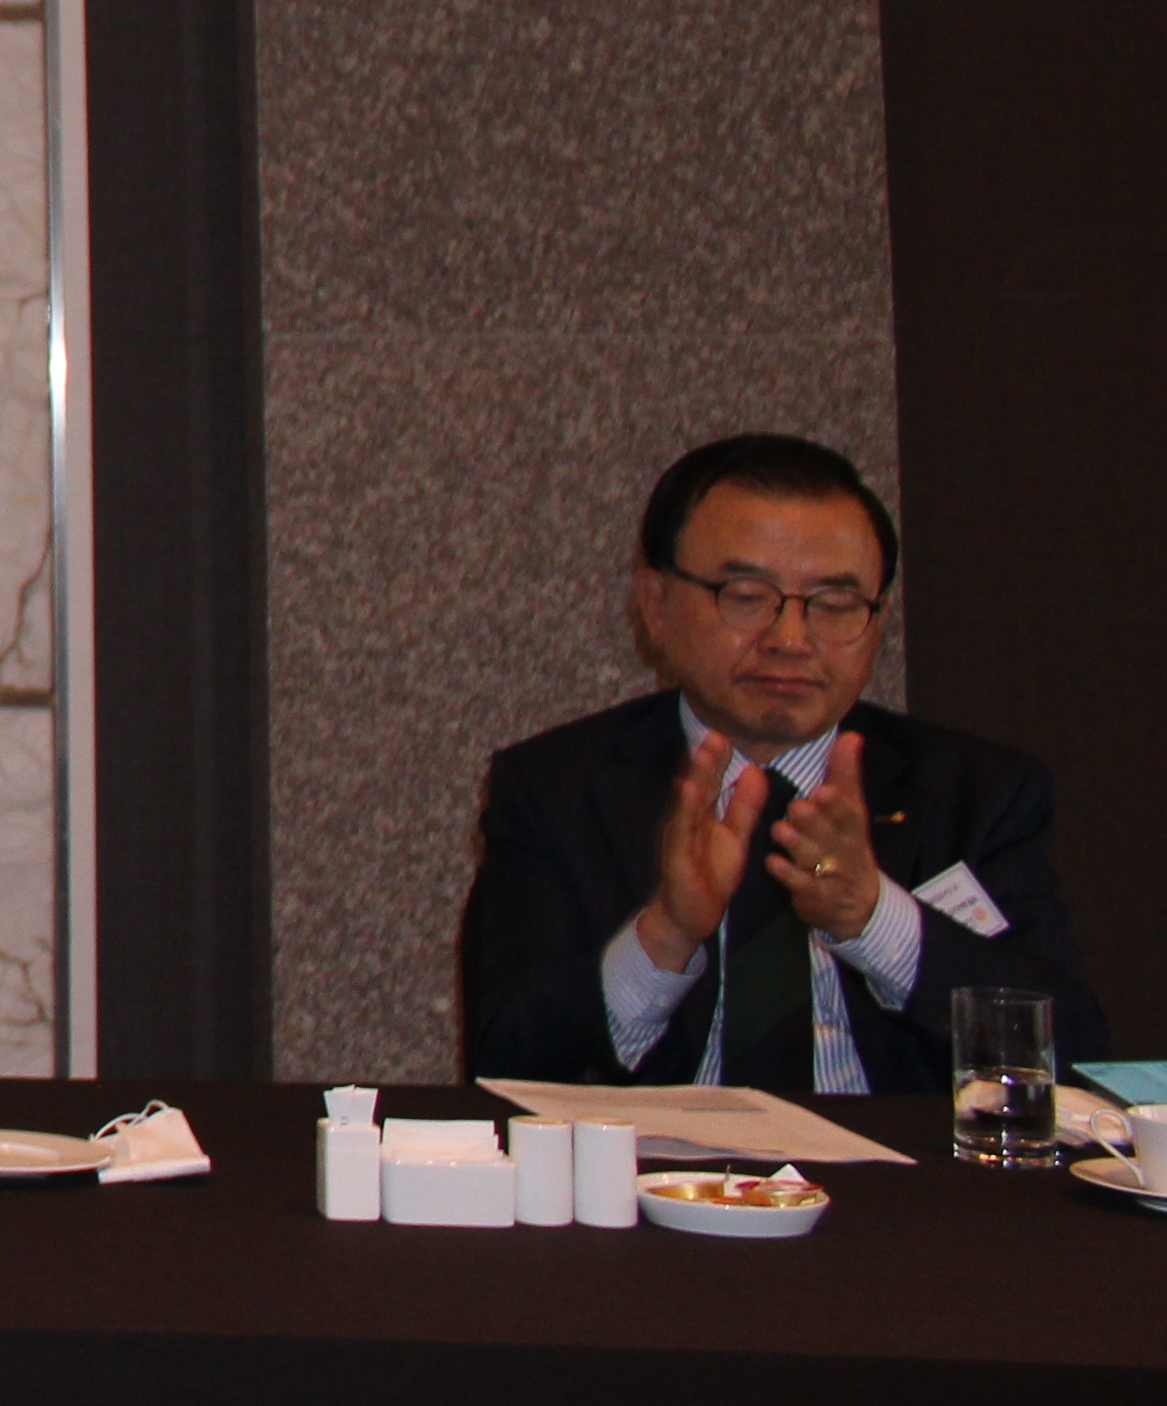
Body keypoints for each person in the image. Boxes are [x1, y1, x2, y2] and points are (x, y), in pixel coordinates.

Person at [463, 431, 1109, 1092]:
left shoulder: (976, 793)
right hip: (659, 1158)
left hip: (895, 1158)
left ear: (878, 620)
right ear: (656, 606)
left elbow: (1074, 1057)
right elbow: (507, 1064)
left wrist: (873, 919)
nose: (791, 639)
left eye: (835, 605)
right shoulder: (555, 788)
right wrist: (666, 937)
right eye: (746, 596)